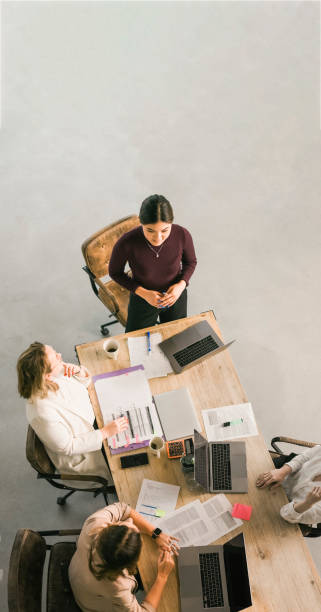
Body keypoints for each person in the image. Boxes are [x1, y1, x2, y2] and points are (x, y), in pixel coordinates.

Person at [17, 342, 128, 485]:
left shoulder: (54, 373)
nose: (60, 356)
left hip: (95, 422)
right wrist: (105, 432)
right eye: (56, 358)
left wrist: (78, 372)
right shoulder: (41, 412)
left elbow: (84, 384)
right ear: (47, 376)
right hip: (85, 454)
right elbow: (68, 446)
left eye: (55, 352)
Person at [109, 194, 197, 332]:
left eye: (165, 230)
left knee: (176, 336)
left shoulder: (182, 235)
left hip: (174, 294)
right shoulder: (127, 242)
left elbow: (191, 262)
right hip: (143, 296)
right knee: (136, 340)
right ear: (141, 222)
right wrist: (143, 293)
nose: (158, 238)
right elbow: (115, 272)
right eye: (150, 230)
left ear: (171, 223)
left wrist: (181, 285)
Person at [69, 502, 179, 612]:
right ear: (132, 564)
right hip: (90, 604)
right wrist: (162, 577)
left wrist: (155, 533)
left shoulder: (95, 523)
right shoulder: (118, 588)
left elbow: (124, 509)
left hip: (78, 573)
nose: (130, 520)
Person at [256, 445, 321, 524]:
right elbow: (303, 457)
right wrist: (283, 471)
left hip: (284, 515)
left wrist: (308, 503)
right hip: (276, 485)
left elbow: (286, 515)